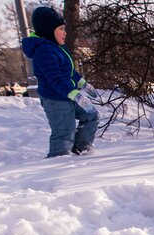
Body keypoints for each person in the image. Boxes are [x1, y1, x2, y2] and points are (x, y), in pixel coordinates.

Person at [22, 6, 99, 157]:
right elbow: (55, 79)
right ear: (48, 30)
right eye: (61, 29)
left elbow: (68, 72)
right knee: (65, 131)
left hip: (67, 95)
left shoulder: (58, 48)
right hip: (55, 99)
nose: (65, 32)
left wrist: (83, 84)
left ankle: (81, 149)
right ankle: (59, 160)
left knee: (92, 116)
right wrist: (75, 95)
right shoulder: (44, 52)